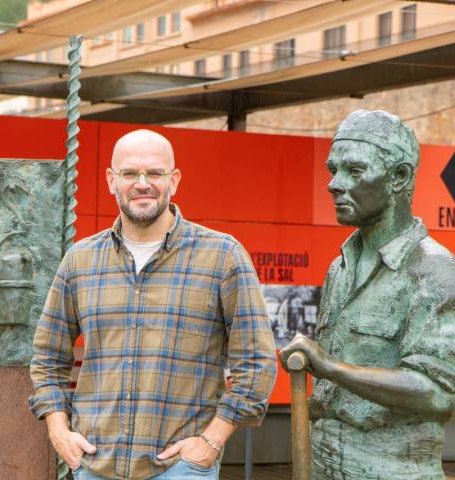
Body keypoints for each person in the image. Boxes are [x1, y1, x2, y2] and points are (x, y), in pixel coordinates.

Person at [30, 129, 277, 480]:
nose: (142, 183)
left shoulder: (222, 256)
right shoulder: (80, 261)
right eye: (130, 174)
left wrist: (212, 440)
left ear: (173, 180)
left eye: (155, 174)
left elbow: (257, 362)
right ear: (111, 181)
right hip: (95, 464)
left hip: (180, 468)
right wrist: (58, 431)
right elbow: (46, 357)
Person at [280, 110, 455, 479]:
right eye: (332, 170)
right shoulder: (341, 266)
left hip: (392, 468)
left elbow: (442, 395)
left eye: (354, 171)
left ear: (398, 177)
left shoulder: (434, 270)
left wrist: (330, 367)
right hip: (322, 461)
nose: (334, 184)